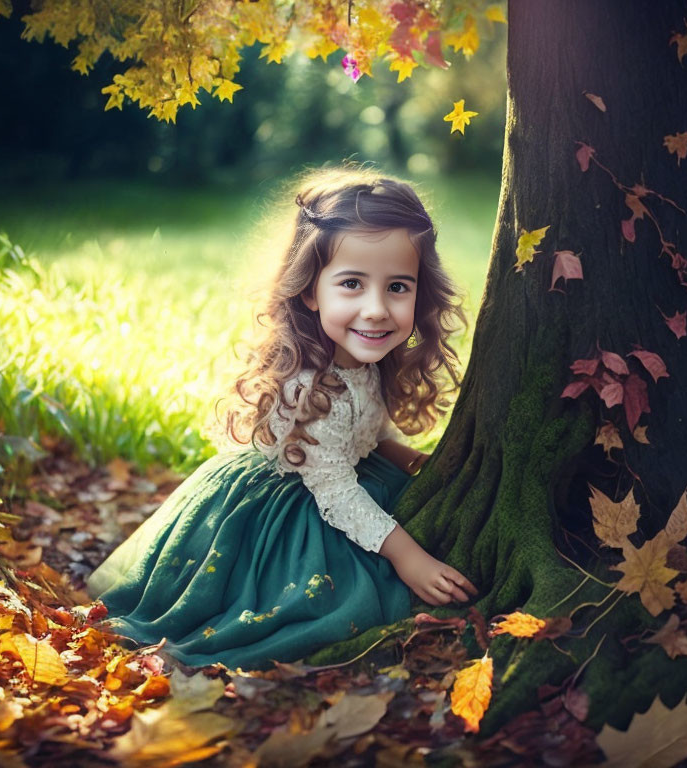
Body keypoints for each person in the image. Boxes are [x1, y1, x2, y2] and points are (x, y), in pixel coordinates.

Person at [86, 164, 479, 672]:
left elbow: (367, 430)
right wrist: (409, 558)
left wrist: (410, 458)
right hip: (289, 503)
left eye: (398, 287)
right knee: (323, 603)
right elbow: (335, 489)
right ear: (311, 291)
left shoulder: (368, 358)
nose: (378, 309)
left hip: (343, 477)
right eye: (353, 283)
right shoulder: (306, 384)